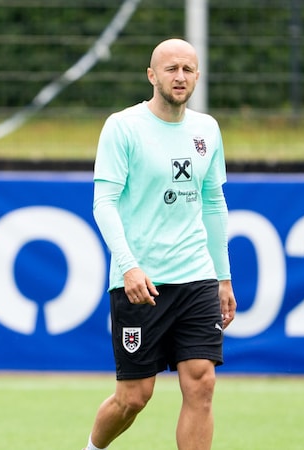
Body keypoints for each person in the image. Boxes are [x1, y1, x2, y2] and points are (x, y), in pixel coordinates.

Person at [84, 38, 237, 450]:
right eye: (171, 69)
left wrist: (223, 277)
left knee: (201, 383)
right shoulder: (123, 126)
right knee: (134, 397)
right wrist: (129, 266)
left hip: (197, 277)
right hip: (142, 281)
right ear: (152, 76)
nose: (180, 76)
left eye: (188, 69)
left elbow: (213, 202)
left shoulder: (207, 129)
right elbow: (104, 203)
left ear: (198, 76)